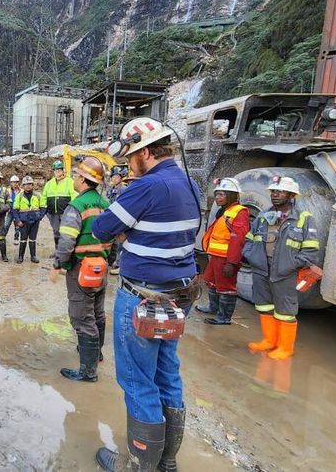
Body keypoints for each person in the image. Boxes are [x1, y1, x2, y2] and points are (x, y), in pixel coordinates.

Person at [92, 117, 201, 472]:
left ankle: (139, 465)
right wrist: (136, 236)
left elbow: (101, 229)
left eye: (130, 157)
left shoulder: (144, 187)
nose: (127, 165)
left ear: (145, 151)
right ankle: (166, 462)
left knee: (137, 380)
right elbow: (171, 236)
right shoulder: (190, 183)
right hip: (178, 296)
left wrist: (126, 235)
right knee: (167, 374)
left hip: (141, 295)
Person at [243, 175, 319, 360]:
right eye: (273, 191)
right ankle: (269, 341)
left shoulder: (303, 218)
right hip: (262, 269)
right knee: (264, 306)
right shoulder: (263, 216)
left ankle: (285, 348)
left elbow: (311, 249)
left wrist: (291, 265)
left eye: (281, 191)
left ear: (291, 195)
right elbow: (249, 240)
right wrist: (252, 257)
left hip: (285, 272)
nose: (275, 195)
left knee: (285, 311)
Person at [50, 157, 111, 383]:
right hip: (101, 267)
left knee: (81, 318)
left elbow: (66, 242)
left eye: (77, 175)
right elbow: (113, 238)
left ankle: (88, 372)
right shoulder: (105, 204)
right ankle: (97, 354)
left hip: (81, 269)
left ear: (84, 179)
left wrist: (58, 264)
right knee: (97, 313)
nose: (74, 179)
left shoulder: (76, 206)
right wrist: (109, 260)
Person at [197, 177, 249, 325]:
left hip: (226, 258)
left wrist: (231, 262)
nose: (217, 198)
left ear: (232, 195)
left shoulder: (239, 212)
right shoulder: (225, 211)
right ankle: (214, 307)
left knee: (226, 287)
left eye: (222, 194)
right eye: (217, 194)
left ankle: (224, 317)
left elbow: (237, 239)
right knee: (211, 281)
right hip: (216, 256)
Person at [42, 159, 77, 254]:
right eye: (56, 170)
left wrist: (72, 210)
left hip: (66, 212)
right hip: (53, 213)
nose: (58, 171)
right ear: (53, 171)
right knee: (56, 232)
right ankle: (58, 251)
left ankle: (68, 251)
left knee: (67, 233)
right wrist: (44, 209)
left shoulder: (69, 182)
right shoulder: (49, 184)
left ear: (63, 170)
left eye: (59, 169)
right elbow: (44, 197)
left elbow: (74, 196)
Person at [12, 176, 45, 263]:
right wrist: (18, 221)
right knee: (23, 239)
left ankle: (33, 256)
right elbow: (15, 210)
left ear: (32, 185)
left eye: (29, 184)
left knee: (33, 239)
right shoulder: (19, 196)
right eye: (26, 184)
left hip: (35, 221)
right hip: (23, 221)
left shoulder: (38, 195)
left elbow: (43, 206)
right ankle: (20, 257)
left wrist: (40, 217)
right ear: (23, 186)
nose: (28, 186)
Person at [105, 166, 128, 275]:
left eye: (116, 176)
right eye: (113, 177)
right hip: (112, 217)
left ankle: (119, 264)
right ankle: (112, 261)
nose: (114, 179)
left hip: (121, 218)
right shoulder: (111, 189)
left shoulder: (124, 189)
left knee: (120, 243)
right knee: (112, 242)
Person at [5, 175, 22, 245]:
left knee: (17, 226)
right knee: (6, 225)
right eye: (13, 182)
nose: (14, 184)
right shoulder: (7, 191)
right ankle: (2, 237)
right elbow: (4, 200)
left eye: (16, 182)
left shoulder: (22, 191)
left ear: (18, 183)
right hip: (11, 211)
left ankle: (16, 238)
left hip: (18, 212)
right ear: (10, 183)